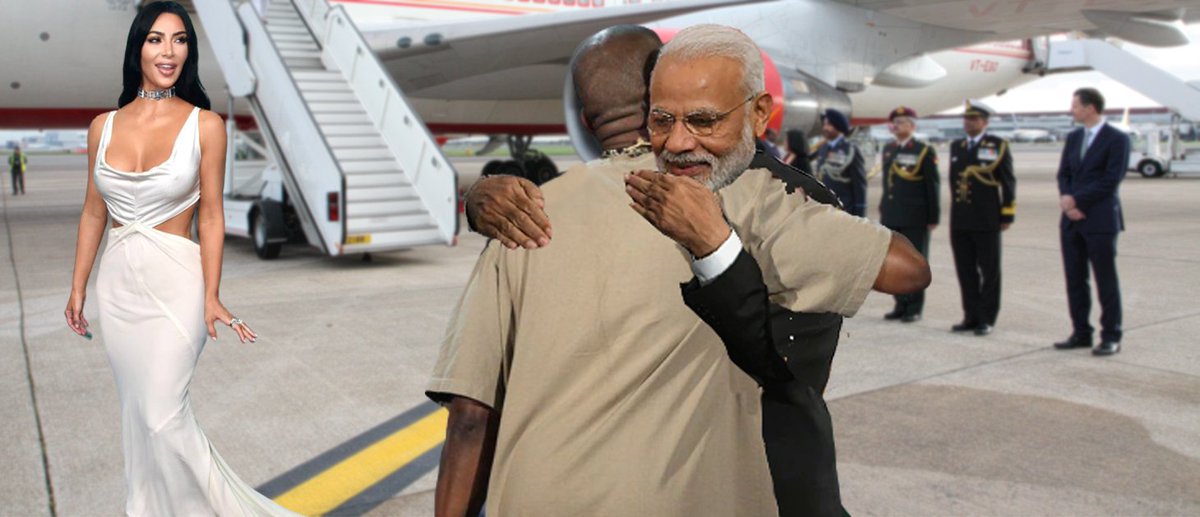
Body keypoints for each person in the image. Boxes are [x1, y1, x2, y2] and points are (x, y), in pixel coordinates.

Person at [433, 24, 929, 517]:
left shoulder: (519, 218)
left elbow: (471, 419)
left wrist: (477, 197)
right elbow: (905, 269)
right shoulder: (742, 195)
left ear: (585, 120)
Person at [62, 3, 299, 515]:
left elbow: (211, 216)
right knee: (137, 415)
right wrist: (78, 285)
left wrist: (212, 294)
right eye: (155, 39)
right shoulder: (102, 126)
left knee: (163, 416)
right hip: (119, 286)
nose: (168, 51)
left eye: (179, 40)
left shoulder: (206, 125)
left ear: (189, 50)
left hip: (178, 284)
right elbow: (92, 213)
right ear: (137, 48)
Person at [1053, 87, 1129, 356]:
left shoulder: (1117, 139)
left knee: (1105, 279)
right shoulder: (1074, 138)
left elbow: (1111, 179)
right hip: (1071, 221)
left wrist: (1078, 202)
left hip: (1099, 219)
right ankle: (1081, 332)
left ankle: (1111, 335)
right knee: (1075, 279)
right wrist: (1066, 198)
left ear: (1090, 108)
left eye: (1075, 106)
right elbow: (1064, 173)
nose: (1071, 110)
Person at [948, 100, 1016, 336]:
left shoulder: (997, 145)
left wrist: (1008, 212)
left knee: (990, 271)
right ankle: (970, 316)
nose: (969, 123)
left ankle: (986, 318)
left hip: (987, 219)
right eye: (967, 119)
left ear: (985, 123)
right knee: (965, 270)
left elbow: (1008, 181)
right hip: (960, 220)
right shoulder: (957, 146)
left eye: (975, 119)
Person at [879, 106, 941, 322]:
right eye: (895, 122)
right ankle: (900, 304)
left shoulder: (923, 150)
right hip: (892, 215)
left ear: (912, 126)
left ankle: (914, 308)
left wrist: (933, 216)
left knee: (914, 262)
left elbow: (932, 186)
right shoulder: (889, 149)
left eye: (902, 122)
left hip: (916, 215)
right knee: (895, 262)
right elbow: (889, 186)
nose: (896, 126)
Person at [814, 108, 866, 216]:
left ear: (838, 126)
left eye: (828, 125)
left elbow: (859, 184)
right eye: (824, 125)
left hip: (844, 209)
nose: (825, 128)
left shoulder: (850, 150)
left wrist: (860, 211)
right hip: (824, 208)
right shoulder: (823, 149)